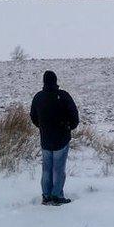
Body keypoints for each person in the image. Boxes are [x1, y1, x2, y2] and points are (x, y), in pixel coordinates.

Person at [30, 70, 80, 206]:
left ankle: (46, 196)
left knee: (47, 169)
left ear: (44, 82)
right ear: (56, 81)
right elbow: (74, 115)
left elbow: (33, 116)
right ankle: (57, 195)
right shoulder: (63, 96)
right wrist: (69, 127)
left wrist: (42, 127)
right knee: (58, 169)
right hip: (61, 139)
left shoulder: (38, 97)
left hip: (45, 139)